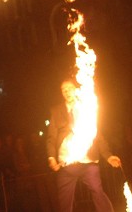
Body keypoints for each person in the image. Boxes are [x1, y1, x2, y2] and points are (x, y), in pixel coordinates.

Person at [46, 78, 122, 212]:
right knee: (64, 201)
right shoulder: (56, 111)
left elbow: (97, 135)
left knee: (98, 192)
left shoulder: (86, 108)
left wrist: (108, 156)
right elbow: (51, 138)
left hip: (88, 163)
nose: (67, 92)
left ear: (76, 90)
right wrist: (51, 157)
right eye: (63, 90)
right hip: (66, 165)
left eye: (69, 88)